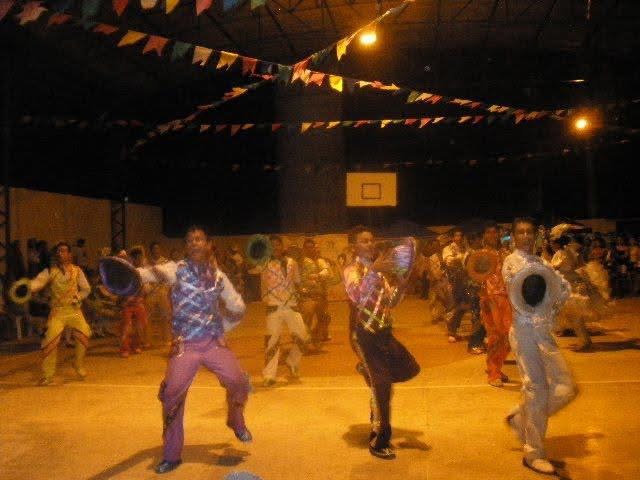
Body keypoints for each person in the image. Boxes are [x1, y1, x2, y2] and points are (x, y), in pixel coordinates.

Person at [127, 225, 251, 474]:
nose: (194, 242)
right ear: (186, 246)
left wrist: (222, 328)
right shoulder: (176, 270)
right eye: (190, 240)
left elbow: (238, 306)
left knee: (238, 382)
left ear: (208, 244)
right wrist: (126, 272)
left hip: (213, 343)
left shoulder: (218, 277)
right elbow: (148, 273)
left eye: (199, 239)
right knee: (172, 394)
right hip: (186, 345)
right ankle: (172, 455)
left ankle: (235, 420)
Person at [503, 217, 576, 476]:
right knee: (536, 389)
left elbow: (562, 289)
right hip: (524, 333)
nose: (524, 236)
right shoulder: (511, 262)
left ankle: (521, 418)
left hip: (543, 333)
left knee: (566, 387)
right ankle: (533, 453)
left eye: (528, 232)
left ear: (534, 235)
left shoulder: (540, 261)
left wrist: (556, 296)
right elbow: (522, 292)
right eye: (520, 232)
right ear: (513, 236)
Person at [343, 226, 420, 460]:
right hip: (364, 335)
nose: (370, 244)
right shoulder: (351, 270)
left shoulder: (381, 270)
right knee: (383, 385)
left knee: (408, 367)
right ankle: (380, 439)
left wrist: (402, 285)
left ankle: (367, 371)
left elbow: (390, 302)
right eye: (364, 241)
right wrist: (373, 271)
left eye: (371, 240)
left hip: (384, 333)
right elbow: (356, 296)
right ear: (354, 246)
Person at [29, 242, 92, 385]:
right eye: (58, 251)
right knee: (50, 341)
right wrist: (28, 287)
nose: (60, 253)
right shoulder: (51, 272)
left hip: (74, 311)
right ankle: (48, 375)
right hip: (58, 312)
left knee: (84, 334)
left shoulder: (77, 271)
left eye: (63, 251)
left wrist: (78, 297)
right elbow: (37, 282)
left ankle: (78, 364)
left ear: (70, 254)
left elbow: (86, 289)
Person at [260, 235, 310, 386]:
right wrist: (267, 300)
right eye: (272, 245)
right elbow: (262, 284)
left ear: (282, 247)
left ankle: (292, 361)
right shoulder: (264, 264)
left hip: (291, 305)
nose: (275, 247)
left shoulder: (292, 263)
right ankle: (269, 375)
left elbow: (297, 282)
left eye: (278, 244)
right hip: (273, 306)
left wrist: (301, 296)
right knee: (272, 341)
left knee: (303, 337)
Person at [478, 222, 512, 387]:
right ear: (484, 235)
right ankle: (493, 372)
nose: (492, 235)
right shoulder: (480, 255)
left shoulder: (506, 253)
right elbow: (475, 277)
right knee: (495, 336)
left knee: (509, 336)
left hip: (507, 298)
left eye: (495, 232)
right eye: (488, 232)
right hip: (490, 298)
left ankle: (495, 366)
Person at [299, 237, 332, 342]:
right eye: (307, 247)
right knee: (307, 316)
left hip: (320, 295)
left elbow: (327, 273)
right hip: (306, 296)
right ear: (304, 249)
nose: (310, 249)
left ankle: (318, 333)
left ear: (314, 248)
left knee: (325, 317)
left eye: (311, 247)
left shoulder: (320, 261)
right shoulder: (300, 262)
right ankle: (304, 336)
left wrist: (317, 276)